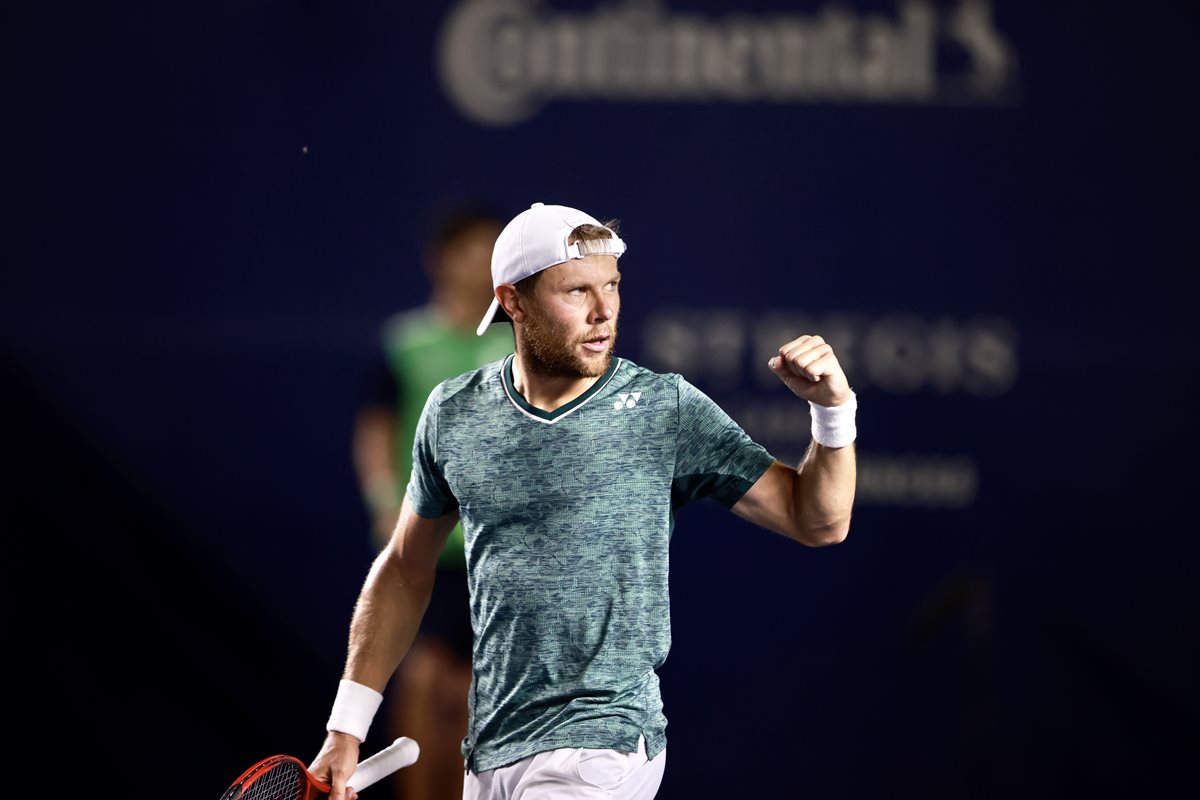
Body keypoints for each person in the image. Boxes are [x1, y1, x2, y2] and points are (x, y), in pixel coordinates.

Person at [314, 202, 859, 800]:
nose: (605, 312)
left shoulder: (664, 409)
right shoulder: (453, 411)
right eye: (577, 291)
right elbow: (403, 569)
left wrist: (833, 412)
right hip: (490, 750)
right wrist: (346, 727)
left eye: (612, 286)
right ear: (513, 302)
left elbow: (819, 521)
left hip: (603, 746)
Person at [351, 203, 514, 800]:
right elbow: (375, 429)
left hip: (502, 548)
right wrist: (382, 499)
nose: (484, 263)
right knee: (424, 678)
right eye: (472, 250)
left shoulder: (521, 343)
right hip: (427, 544)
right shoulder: (405, 344)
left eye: (494, 250)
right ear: (440, 261)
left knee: (479, 691)